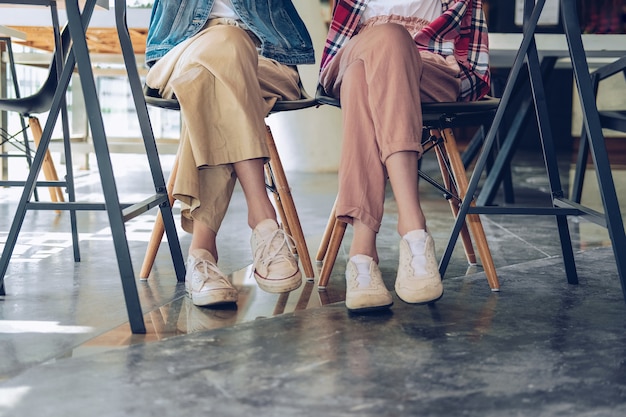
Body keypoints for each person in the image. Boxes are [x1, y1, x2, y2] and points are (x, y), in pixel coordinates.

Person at [319, 0, 490, 311]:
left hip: (431, 67)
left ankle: (362, 253)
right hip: (356, 51)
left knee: (364, 78)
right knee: (387, 39)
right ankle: (413, 229)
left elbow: (471, 53)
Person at [144, 0, 315, 307]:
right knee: (224, 47)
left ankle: (202, 252)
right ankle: (262, 218)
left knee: (208, 86)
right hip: (184, 53)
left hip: (267, 58)